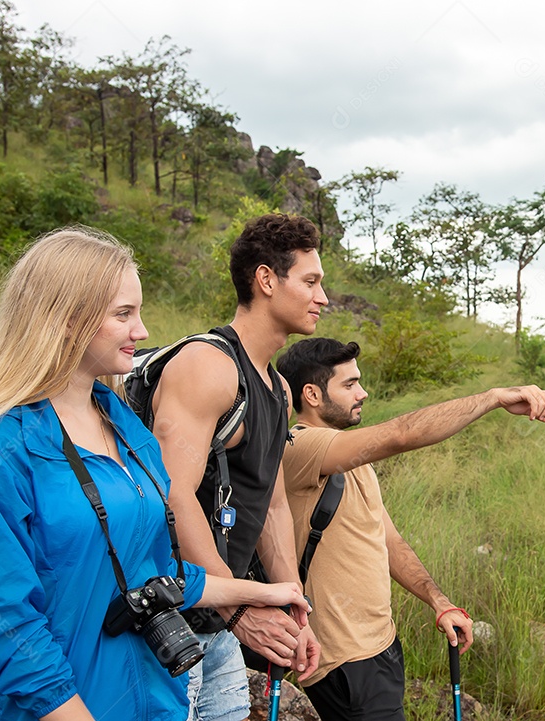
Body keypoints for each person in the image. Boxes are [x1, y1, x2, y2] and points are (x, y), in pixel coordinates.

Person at [0, 227, 311, 721]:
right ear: (66, 319)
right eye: (123, 314)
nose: (143, 331)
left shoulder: (125, 425)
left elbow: (156, 575)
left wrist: (258, 593)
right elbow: (6, 628)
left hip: (158, 700)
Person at [275, 336, 545, 721]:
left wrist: (439, 601)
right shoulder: (299, 446)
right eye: (349, 384)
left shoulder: (351, 459)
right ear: (312, 395)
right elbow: (402, 434)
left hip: (380, 645)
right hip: (344, 659)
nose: (362, 393)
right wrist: (494, 397)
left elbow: (390, 542)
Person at [148, 213, 325, 721]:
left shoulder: (279, 390)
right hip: (165, 620)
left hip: (216, 624)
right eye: (310, 282)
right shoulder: (209, 365)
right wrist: (241, 609)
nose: (323, 297)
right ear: (266, 280)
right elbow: (173, 494)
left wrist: (292, 604)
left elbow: (269, 503)